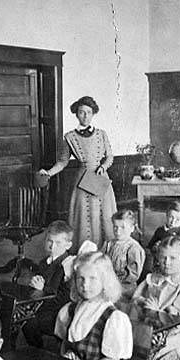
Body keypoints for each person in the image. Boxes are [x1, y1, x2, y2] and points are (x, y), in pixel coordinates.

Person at [39, 96, 116, 248]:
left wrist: (103, 167)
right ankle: (84, 250)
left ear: (93, 114)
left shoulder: (102, 134)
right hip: (82, 181)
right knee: (85, 217)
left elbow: (110, 157)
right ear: (76, 114)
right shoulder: (69, 137)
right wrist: (48, 173)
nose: (85, 116)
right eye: (82, 112)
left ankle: (106, 251)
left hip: (100, 178)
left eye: (88, 112)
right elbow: (62, 162)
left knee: (105, 215)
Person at [132, 236, 180, 360]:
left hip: (174, 335)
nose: (166, 262)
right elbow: (136, 298)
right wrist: (143, 303)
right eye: (163, 257)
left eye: (173, 258)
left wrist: (156, 311)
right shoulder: (153, 278)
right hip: (148, 325)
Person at [20, 220, 75, 348]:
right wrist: (34, 285)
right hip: (41, 305)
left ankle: (38, 351)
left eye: (58, 243)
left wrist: (42, 290)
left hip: (58, 311)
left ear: (68, 245)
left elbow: (64, 298)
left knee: (28, 320)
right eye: (50, 241)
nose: (52, 246)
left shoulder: (68, 265)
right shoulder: (44, 262)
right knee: (17, 313)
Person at [101, 210, 145, 299]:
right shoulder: (108, 244)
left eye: (122, 227)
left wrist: (113, 284)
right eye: (115, 227)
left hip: (125, 288)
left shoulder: (133, 248)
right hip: (107, 283)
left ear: (132, 228)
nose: (118, 231)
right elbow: (101, 262)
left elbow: (132, 276)